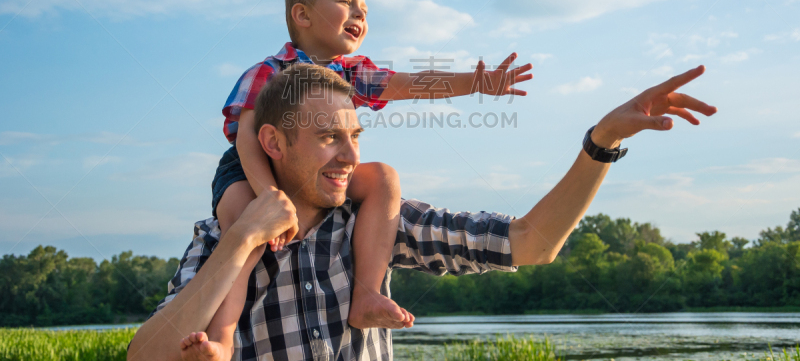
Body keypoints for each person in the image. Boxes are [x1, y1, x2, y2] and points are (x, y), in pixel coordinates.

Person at [127, 62, 717, 361]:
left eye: (354, 134)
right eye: (329, 136)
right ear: (275, 144)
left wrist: (602, 141)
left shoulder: (377, 226)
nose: (350, 154)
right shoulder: (219, 238)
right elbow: (144, 356)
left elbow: (533, 242)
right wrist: (240, 242)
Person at [209, 0, 533, 351]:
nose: (360, 13)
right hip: (250, 169)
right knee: (244, 231)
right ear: (302, 15)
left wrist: (477, 83)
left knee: (382, 177)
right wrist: (266, 197)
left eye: (364, 8)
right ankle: (222, 337)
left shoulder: (351, 73)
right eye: (346, 2)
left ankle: (365, 294)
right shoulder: (270, 71)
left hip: (318, 168)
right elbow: (247, 139)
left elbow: (411, 85)